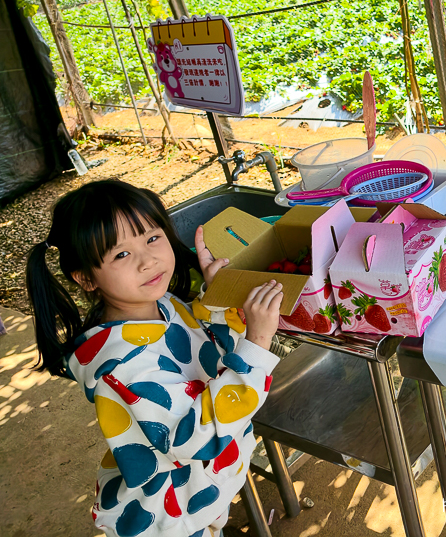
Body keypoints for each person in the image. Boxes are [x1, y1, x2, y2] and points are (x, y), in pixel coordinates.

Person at [26, 179, 284, 537]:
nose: (148, 260)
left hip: (199, 495)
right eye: (121, 254)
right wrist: (256, 342)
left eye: (151, 237)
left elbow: (203, 349)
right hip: (170, 519)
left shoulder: (160, 305)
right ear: (86, 278)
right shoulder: (123, 364)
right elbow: (196, 438)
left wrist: (218, 299)